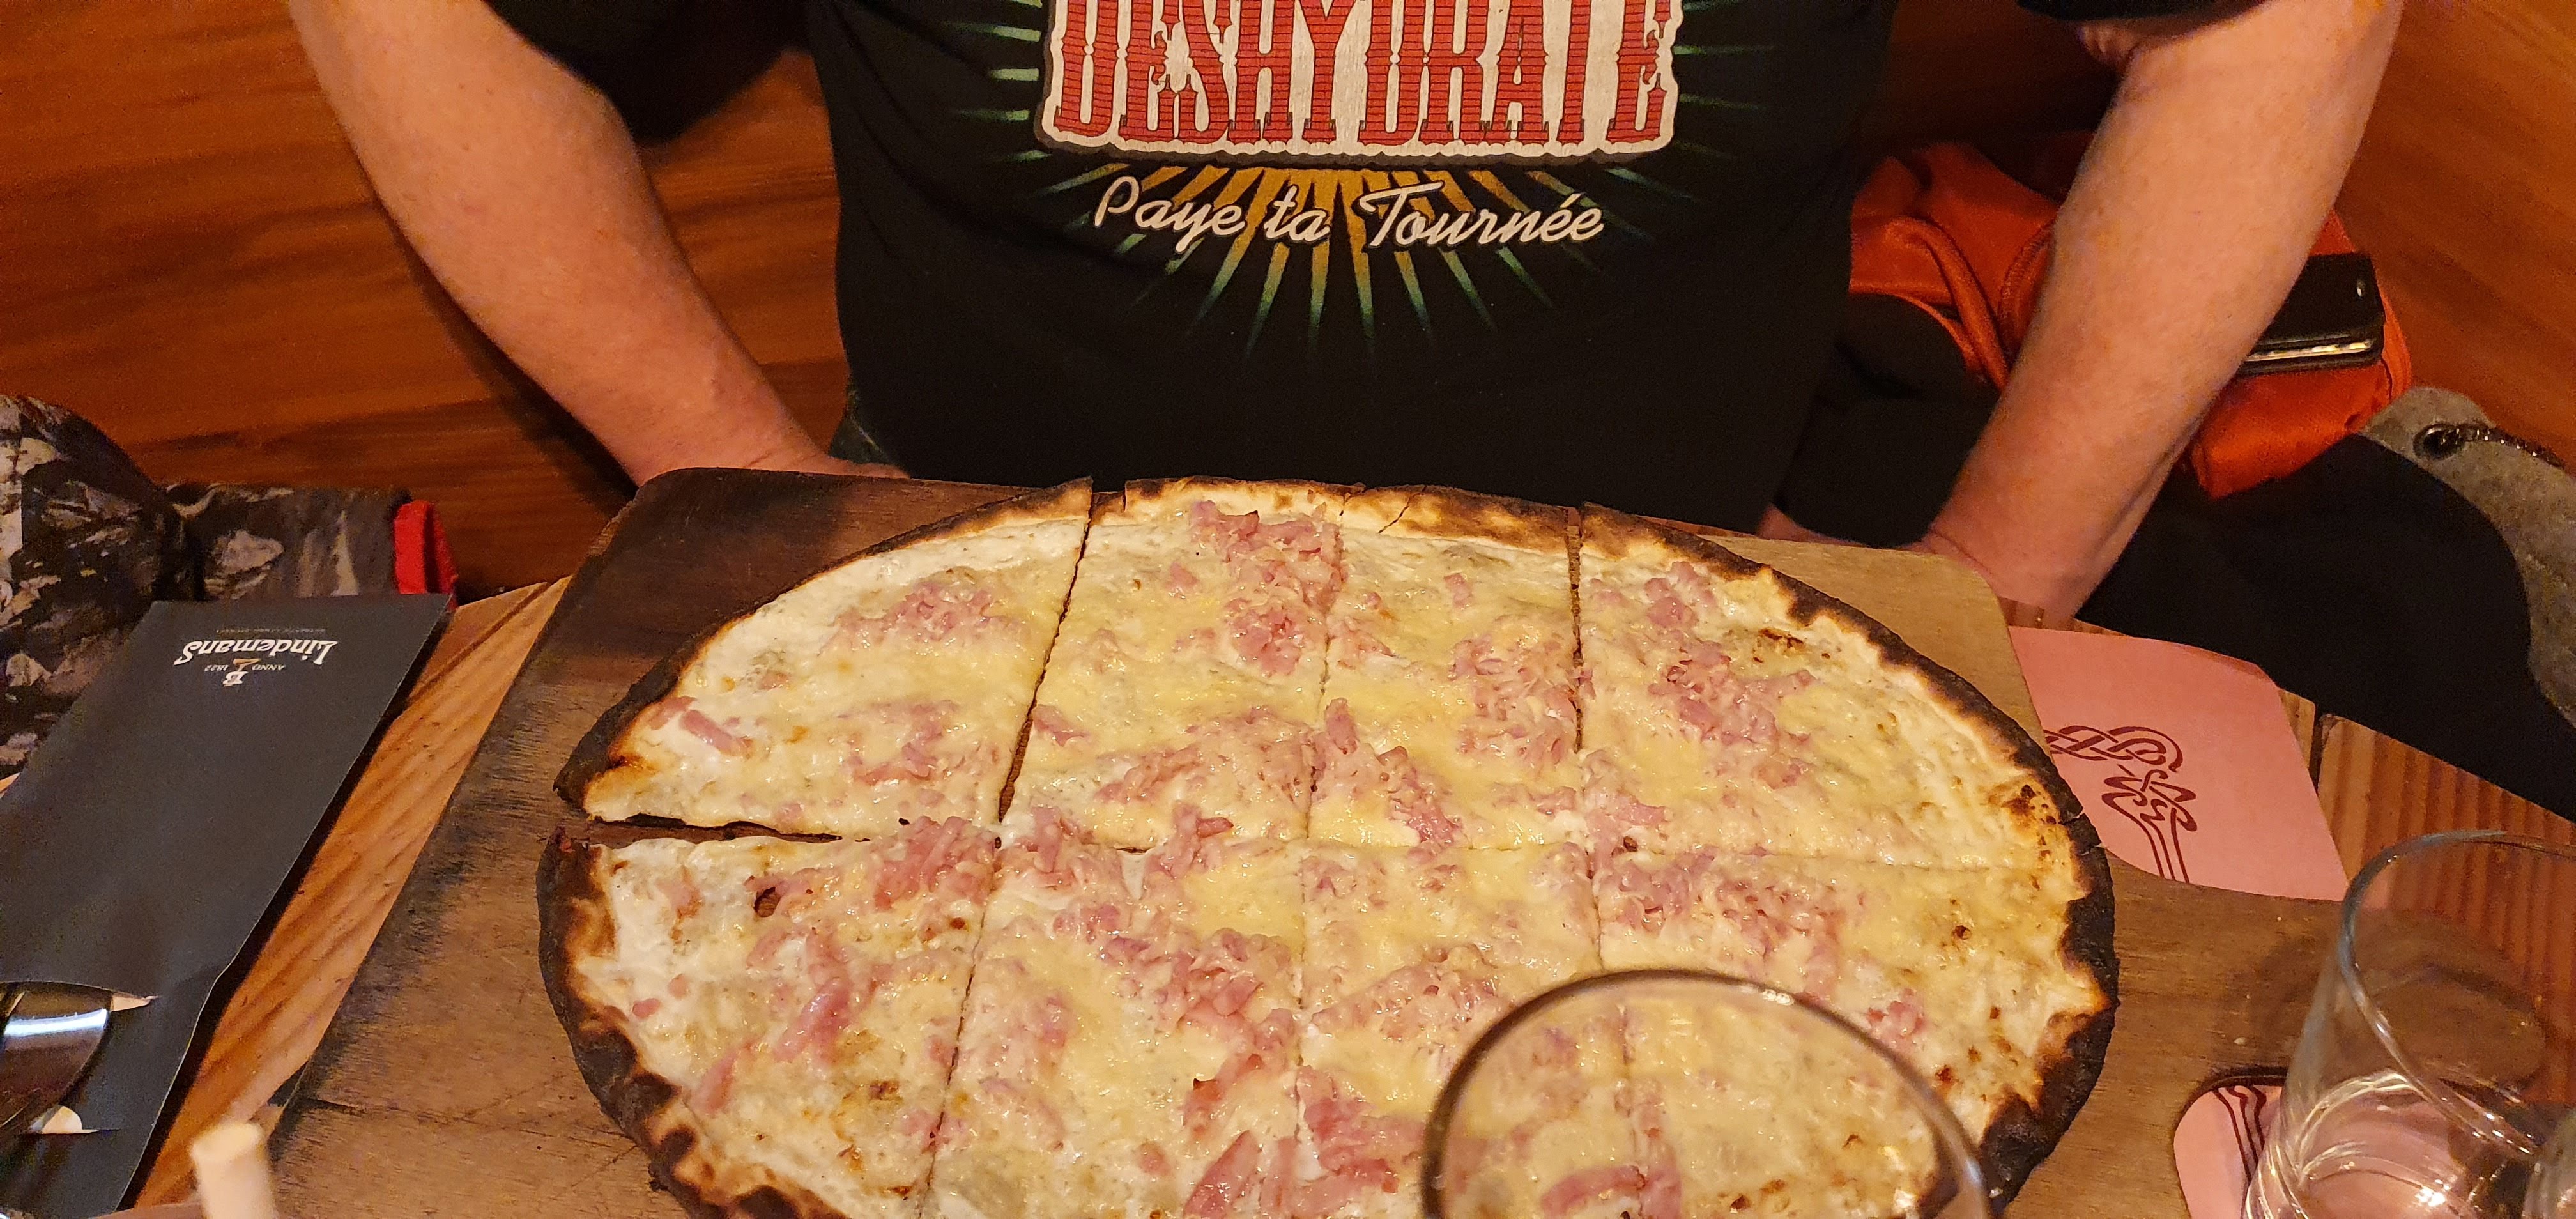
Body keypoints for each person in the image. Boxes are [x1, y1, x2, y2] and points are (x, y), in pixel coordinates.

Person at [286, 0, 2402, 629]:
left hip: (1672, 608)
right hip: (977, 606)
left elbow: (2272, 16)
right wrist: (733, 478)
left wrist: (2000, 583)